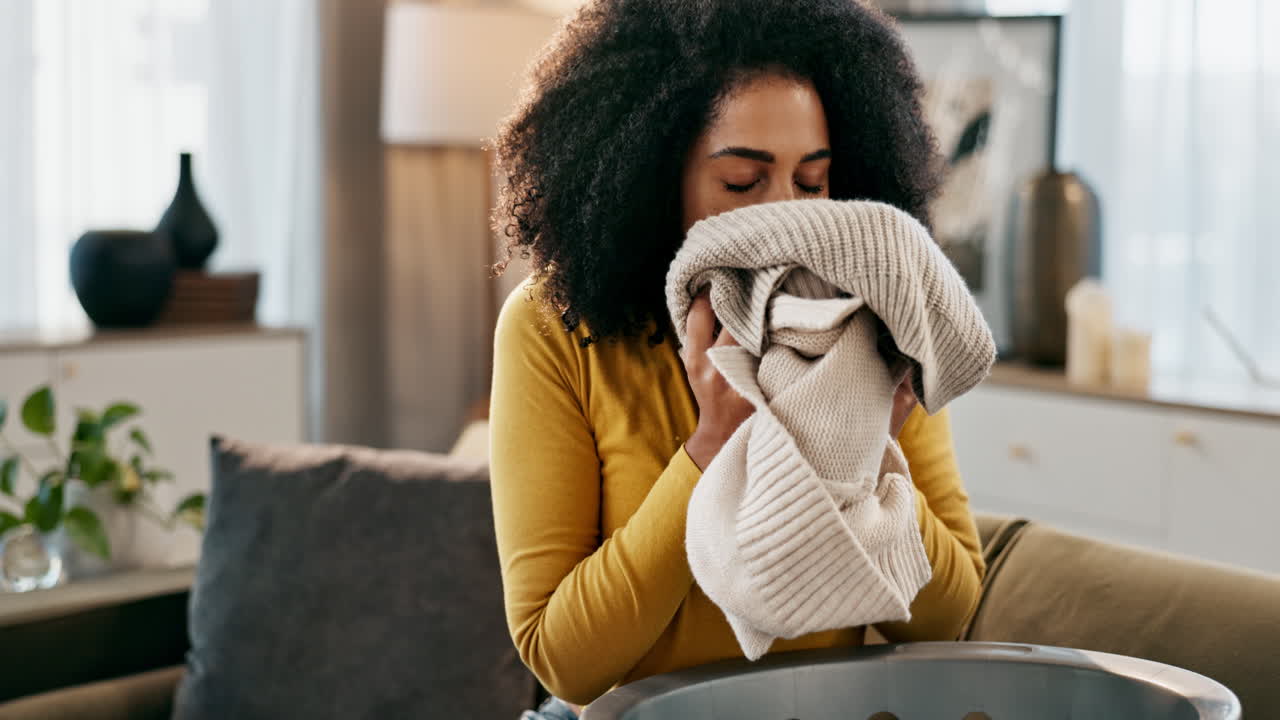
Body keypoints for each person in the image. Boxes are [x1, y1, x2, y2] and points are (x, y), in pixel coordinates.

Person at [489, 0, 985, 714]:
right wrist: (709, 445)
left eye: (812, 183)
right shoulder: (552, 331)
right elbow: (563, 658)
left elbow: (953, 614)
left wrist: (864, 445)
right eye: (743, 184)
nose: (793, 218)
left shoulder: (877, 319)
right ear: (653, 179)